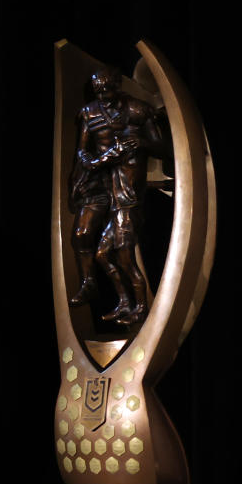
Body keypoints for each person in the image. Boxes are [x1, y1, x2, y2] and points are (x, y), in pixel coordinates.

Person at [69, 67, 163, 325]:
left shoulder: (137, 113)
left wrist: (141, 144)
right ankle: (119, 300)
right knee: (95, 248)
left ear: (118, 87)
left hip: (127, 201)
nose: (103, 96)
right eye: (98, 92)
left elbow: (162, 147)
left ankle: (141, 308)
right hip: (107, 191)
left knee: (124, 257)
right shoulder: (90, 113)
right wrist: (87, 164)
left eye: (107, 90)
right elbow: (84, 151)